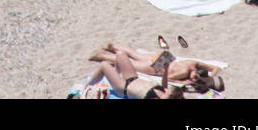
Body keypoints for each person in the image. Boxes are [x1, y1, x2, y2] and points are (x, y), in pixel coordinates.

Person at [88, 44, 223, 93]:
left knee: (136, 55)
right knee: (132, 63)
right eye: (197, 77)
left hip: (166, 58)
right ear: (199, 74)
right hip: (157, 67)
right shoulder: (185, 72)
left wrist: (211, 77)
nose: (194, 79)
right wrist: (185, 82)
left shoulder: (192, 63)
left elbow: (215, 68)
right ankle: (103, 55)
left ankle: (113, 47)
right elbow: (169, 79)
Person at [83, 48, 184, 100]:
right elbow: (164, 84)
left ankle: (85, 87)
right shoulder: (164, 91)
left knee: (104, 65)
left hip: (123, 88)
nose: (165, 91)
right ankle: (116, 74)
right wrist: (165, 69)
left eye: (167, 93)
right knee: (120, 54)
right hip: (132, 77)